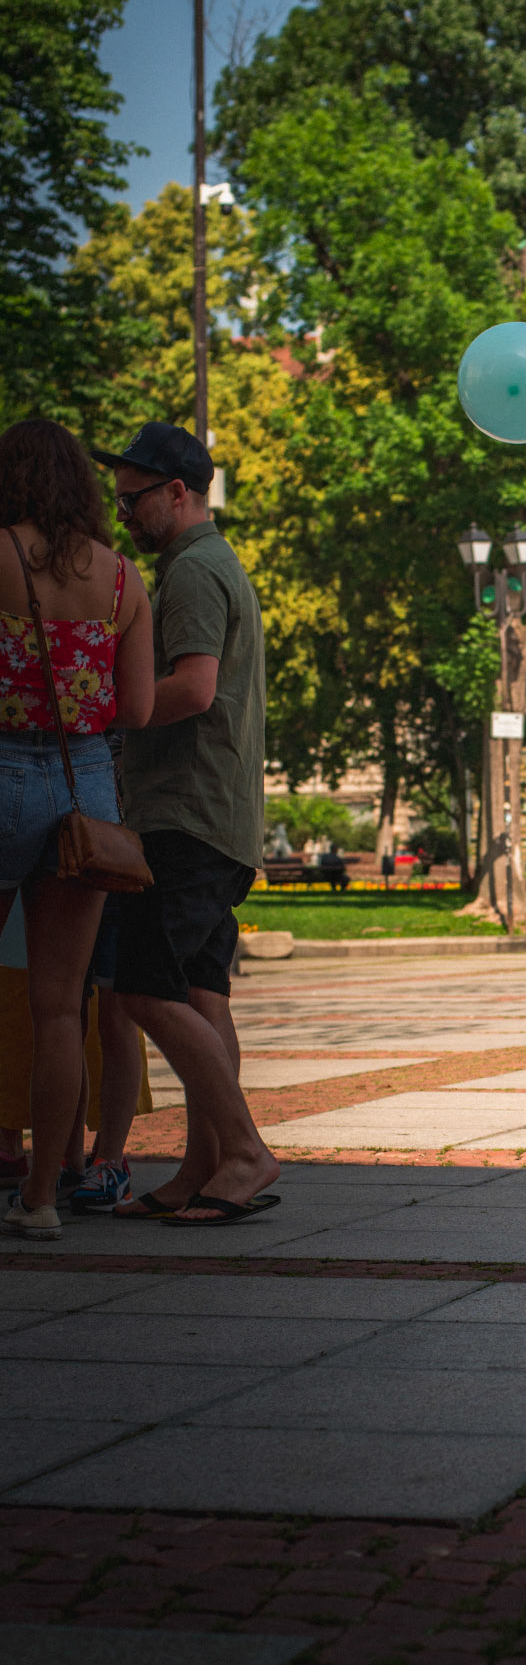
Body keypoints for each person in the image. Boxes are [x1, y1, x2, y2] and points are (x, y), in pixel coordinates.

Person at [92, 421, 278, 1226]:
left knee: (142, 986)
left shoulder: (193, 571)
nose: (123, 513)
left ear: (177, 493)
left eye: (133, 499)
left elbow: (194, 688)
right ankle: (204, 1168)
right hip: (216, 814)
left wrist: (107, 711)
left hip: (186, 814)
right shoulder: (211, 563)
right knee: (202, 995)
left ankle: (244, 1152)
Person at [0, 418, 154, 1239]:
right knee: (61, 1008)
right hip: (84, 785)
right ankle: (41, 1200)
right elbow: (137, 708)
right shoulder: (124, 578)